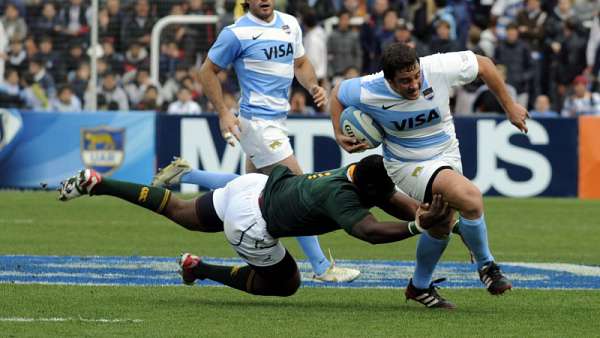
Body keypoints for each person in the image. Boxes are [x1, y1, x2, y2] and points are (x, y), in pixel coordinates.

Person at [58, 155, 456, 307]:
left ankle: (100, 183)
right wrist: (417, 225)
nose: (390, 193)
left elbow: (392, 201)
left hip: (254, 187)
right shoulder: (343, 197)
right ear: (368, 187)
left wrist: (446, 222)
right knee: (285, 284)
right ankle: (199, 270)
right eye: (385, 190)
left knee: (178, 210)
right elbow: (369, 232)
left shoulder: (352, 173)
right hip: (253, 223)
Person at [329, 43, 528, 306]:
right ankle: (487, 267)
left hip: (448, 154)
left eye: (416, 76)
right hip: (407, 164)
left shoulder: (437, 67)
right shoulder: (368, 88)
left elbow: (485, 65)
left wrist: (510, 106)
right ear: (388, 79)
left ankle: (419, 287)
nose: (413, 85)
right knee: (470, 197)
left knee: (442, 223)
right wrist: (338, 132)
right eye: (404, 81)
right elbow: (336, 94)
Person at [195, 0, 358, 282]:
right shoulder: (236, 33)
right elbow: (206, 71)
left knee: (247, 191)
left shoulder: (289, 24)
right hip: (257, 124)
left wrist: (313, 85)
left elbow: (301, 63)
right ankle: (321, 267)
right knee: (297, 189)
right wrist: (223, 112)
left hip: (276, 123)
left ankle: (186, 172)